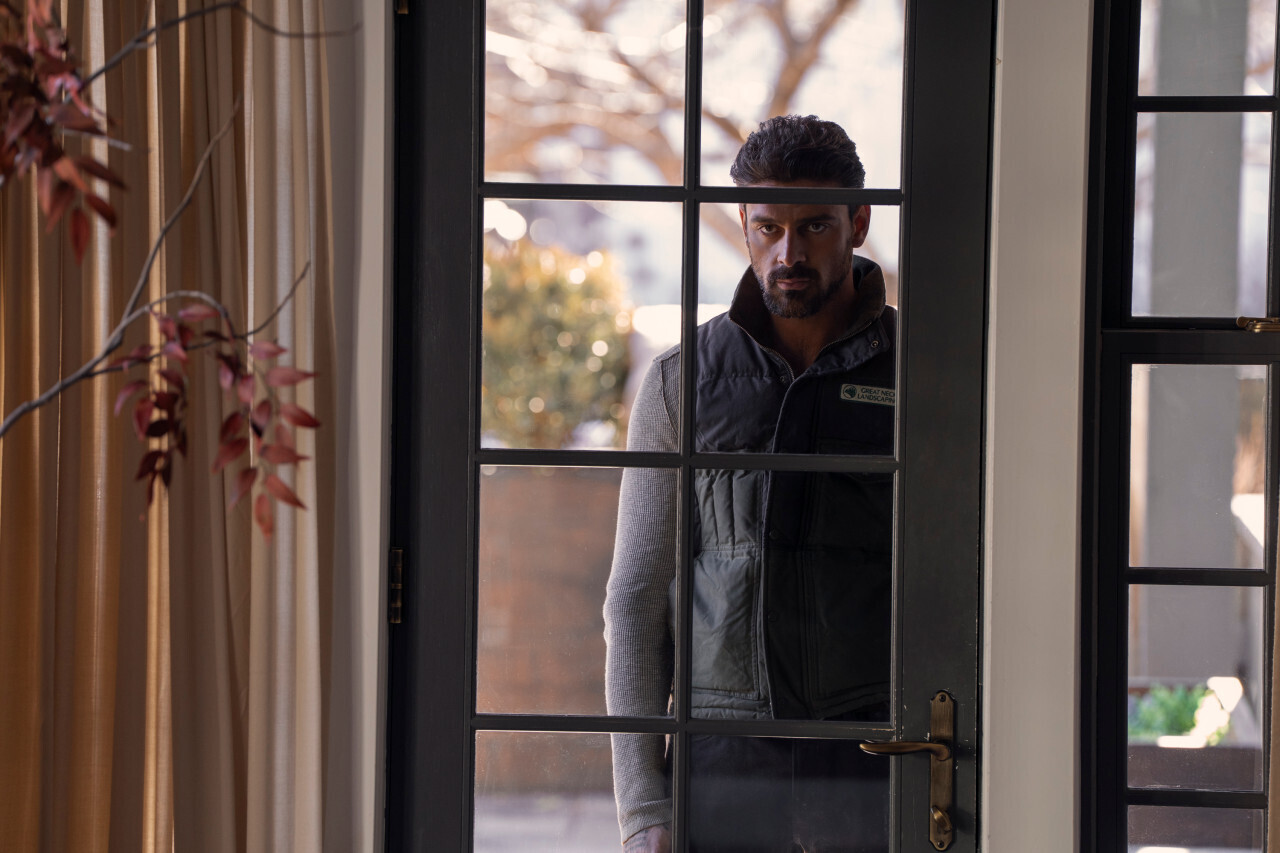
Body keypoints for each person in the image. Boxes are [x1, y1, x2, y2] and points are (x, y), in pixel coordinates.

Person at [604, 115, 896, 853]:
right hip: (721, 764)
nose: (788, 253)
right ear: (743, 225)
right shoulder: (680, 382)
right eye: (768, 228)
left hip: (875, 758)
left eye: (815, 227)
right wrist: (643, 806)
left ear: (858, 224)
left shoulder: (920, 375)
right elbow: (637, 595)